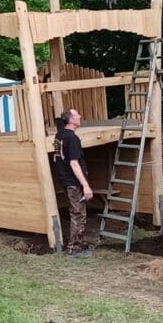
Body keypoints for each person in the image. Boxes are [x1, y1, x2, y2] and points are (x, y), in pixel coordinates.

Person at [52, 108, 93, 257]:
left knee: (75, 211)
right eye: (77, 115)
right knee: (78, 214)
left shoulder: (60, 135)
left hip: (64, 179)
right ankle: (73, 248)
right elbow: (74, 163)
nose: (80, 116)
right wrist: (86, 185)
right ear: (70, 120)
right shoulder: (72, 138)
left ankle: (80, 243)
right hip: (72, 182)